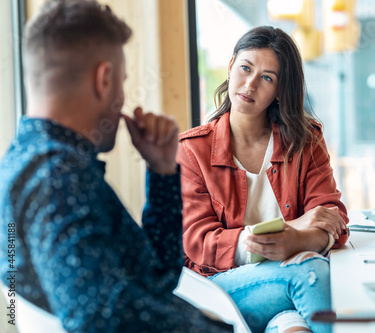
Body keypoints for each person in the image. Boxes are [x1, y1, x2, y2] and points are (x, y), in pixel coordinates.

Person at [0, 1, 231, 332]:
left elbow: (157, 277)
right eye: (121, 81)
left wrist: (162, 171)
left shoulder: (35, 165)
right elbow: (98, 317)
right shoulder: (57, 180)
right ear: (104, 79)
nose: (123, 97)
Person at [177, 26, 349, 333]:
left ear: (280, 90)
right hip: (218, 288)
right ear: (230, 68)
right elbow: (199, 244)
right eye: (245, 68)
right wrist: (293, 228)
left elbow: (333, 220)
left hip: (281, 284)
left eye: (267, 77)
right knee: (310, 271)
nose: (251, 84)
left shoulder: (305, 140)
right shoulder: (192, 150)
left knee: (294, 327)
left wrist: (298, 241)